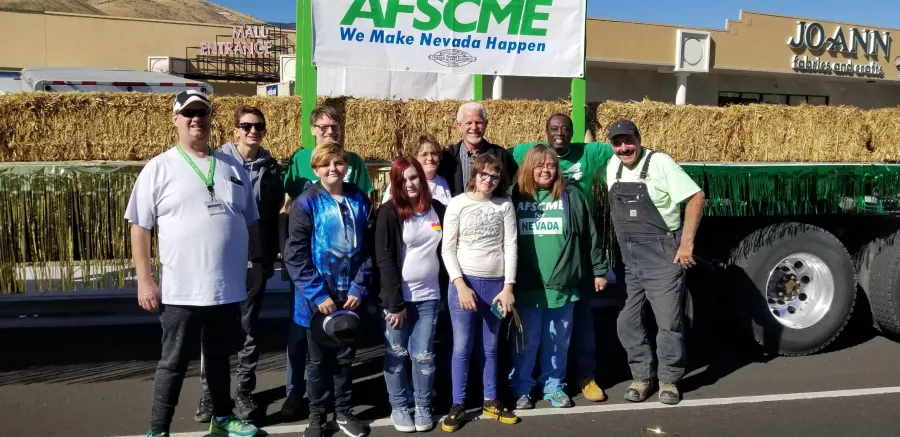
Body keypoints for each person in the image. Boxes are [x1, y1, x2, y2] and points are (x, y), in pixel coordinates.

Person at [126, 90, 261, 437]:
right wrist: (145, 280)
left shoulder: (231, 166)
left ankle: (222, 419)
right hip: (181, 290)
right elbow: (139, 226)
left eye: (202, 113)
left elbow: (250, 220)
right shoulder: (160, 167)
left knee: (218, 358)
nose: (196, 119)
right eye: (188, 113)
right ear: (176, 119)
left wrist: (255, 264)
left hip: (226, 287)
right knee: (173, 363)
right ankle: (158, 429)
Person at [508, 114, 614, 402]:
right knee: (527, 341)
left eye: (551, 166)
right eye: (540, 165)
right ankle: (522, 387)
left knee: (558, 342)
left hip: (563, 284)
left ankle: (554, 386)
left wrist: (599, 269)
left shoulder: (572, 197)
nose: (546, 170)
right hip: (529, 284)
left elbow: (590, 235)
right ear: (528, 168)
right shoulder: (515, 198)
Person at [279, 105, 375, 418]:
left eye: (339, 163)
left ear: (346, 166)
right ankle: (314, 411)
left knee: (345, 357)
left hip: (349, 294)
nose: (333, 168)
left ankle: (343, 410)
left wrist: (360, 287)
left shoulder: (358, 198)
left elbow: (369, 248)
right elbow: (295, 252)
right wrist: (317, 293)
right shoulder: (306, 200)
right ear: (316, 168)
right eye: (326, 164)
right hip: (316, 295)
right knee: (315, 357)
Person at [192, 105, 284, 423]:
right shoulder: (216, 164)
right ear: (235, 130)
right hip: (220, 260)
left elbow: (273, 215)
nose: (253, 131)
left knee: (248, 330)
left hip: (254, 261)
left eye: (259, 126)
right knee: (213, 331)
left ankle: (244, 390)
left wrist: (265, 258)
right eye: (246, 126)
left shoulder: (272, 170)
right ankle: (210, 394)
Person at [603, 119, 704, 405]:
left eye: (628, 141)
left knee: (668, 322)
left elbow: (696, 196)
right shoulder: (612, 165)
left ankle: (669, 380)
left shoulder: (660, 162)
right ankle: (642, 377)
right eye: (617, 143)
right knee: (627, 321)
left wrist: (686, 244)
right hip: (629, 259)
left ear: (639, 138)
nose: (624, 148)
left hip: (661, 255)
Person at [440, 153, 520, 432]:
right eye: (483, 174)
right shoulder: (458, 203)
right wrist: (459, 284)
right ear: (473, 175)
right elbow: (447, 248)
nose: (488, 180)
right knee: (462, 346)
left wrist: (508, 286)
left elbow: (511, 246)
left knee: (490, 346)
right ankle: (458, 403)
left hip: (495, 286)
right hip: (464, 285)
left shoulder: (504, 205)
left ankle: (490, 398)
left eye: (494, 176)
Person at [374, 156, 447, 433]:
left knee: (424, 356)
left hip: (429, 296)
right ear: (395, 184)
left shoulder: (437, 209)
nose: (410, 184)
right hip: (398, 300)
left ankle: (424, 406)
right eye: (403, 180)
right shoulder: (388, 212)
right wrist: (394, 303)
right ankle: (399, 406)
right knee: (397, 354)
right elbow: (385, 260)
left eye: (414, 177)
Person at [438, 102, 518, 196]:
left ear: (486, 124)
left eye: (478, 122)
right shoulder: (447, 158)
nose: (474, 127)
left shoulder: (501, 155)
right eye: (468, 123)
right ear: (459, 126)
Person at [382, 134, 453, 206]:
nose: (430, 158)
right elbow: (387, 210)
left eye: (434, 154)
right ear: (415, 158)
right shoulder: (401, 183)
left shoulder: (444, 181)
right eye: (424, 155)